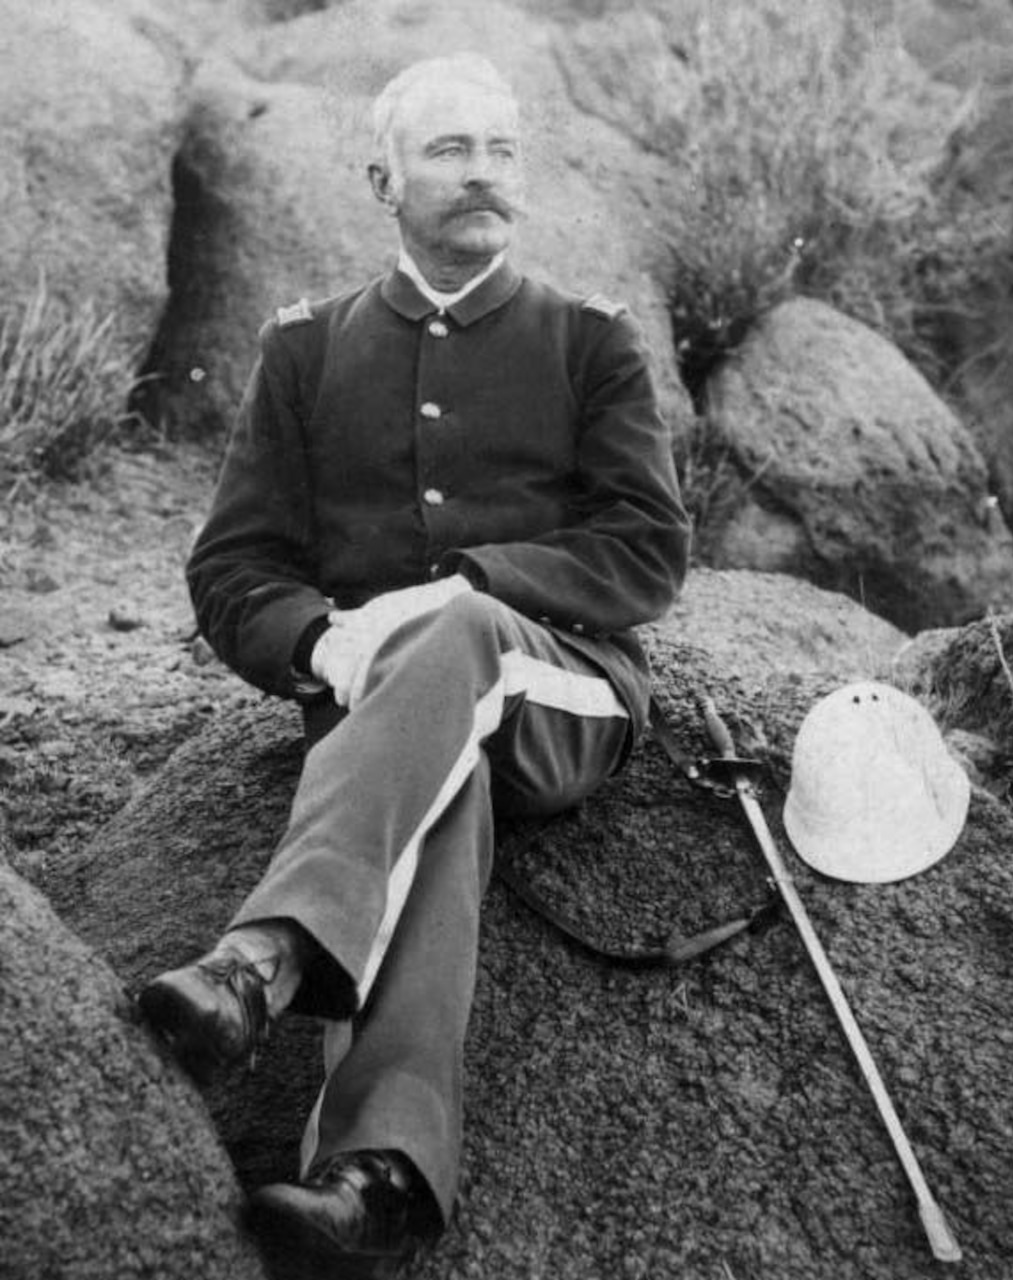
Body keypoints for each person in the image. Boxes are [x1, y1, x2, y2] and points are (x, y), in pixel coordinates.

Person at [139, 52, 690, 1266]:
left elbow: (647, 550)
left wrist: (467, 588)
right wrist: (324, 641)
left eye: (501, 150)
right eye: (451, 150)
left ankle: (262, 958)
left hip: (562, 692)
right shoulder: (306, 350)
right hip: (395, 713)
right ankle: (377, 1174)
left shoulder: (589, 341)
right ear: (382, 176)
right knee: (443, 787)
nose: (483, 172)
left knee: (450, 644)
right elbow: (233, 568)